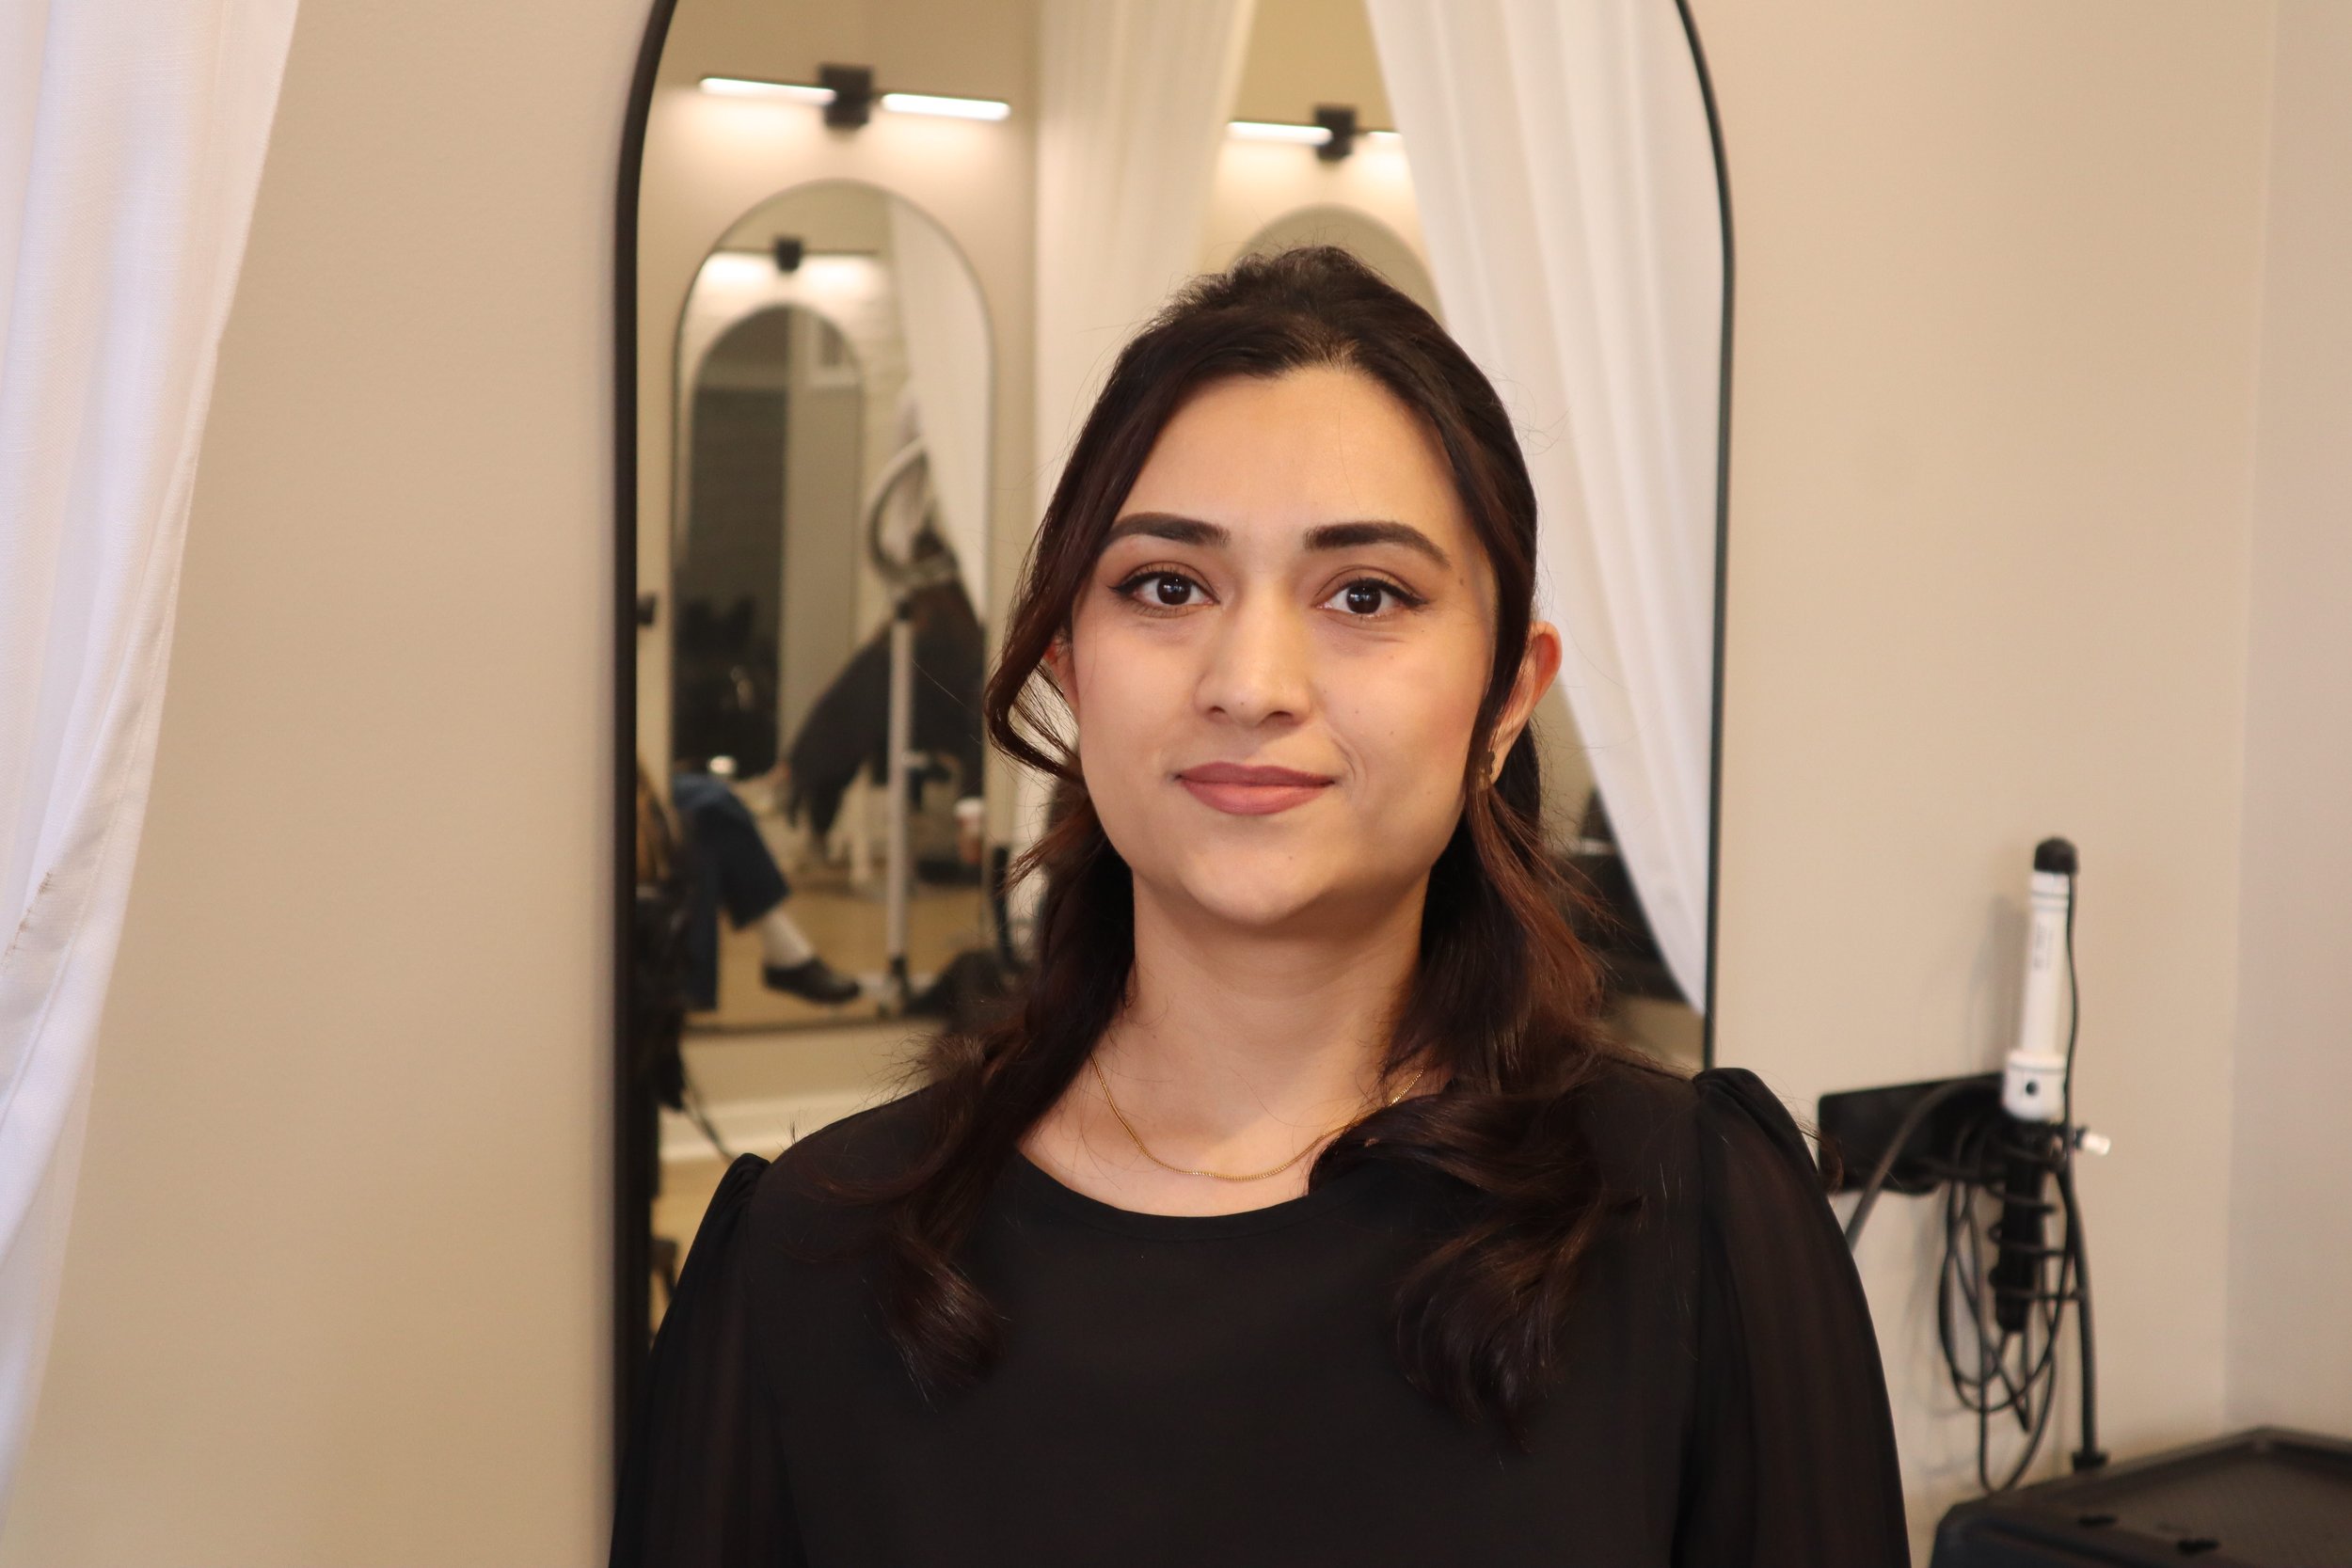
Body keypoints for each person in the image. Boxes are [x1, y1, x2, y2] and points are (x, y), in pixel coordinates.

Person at [610, 246, 1909, 1567]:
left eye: (1366, 595)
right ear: (1071, 666)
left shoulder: (1697, 1230)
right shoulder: (813, 1256)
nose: (1252, 683)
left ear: (1506, 699)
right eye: (1167, 586)